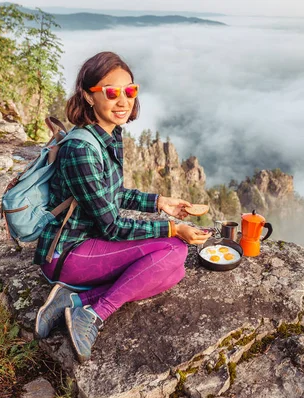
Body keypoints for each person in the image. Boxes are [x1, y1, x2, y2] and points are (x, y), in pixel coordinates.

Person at [33, 51, 211, 362]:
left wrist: (160, 203)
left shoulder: (106, 137)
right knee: (173, 251)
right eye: (111, 92)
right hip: (67, 254)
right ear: (89, 97)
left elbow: (113, 194)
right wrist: (172, 228)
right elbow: (112, 225)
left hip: (88, 244)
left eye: (130, 91)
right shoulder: (81, 149)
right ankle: (92, 313)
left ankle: (71, 300)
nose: (123, 101)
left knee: (174, 271)